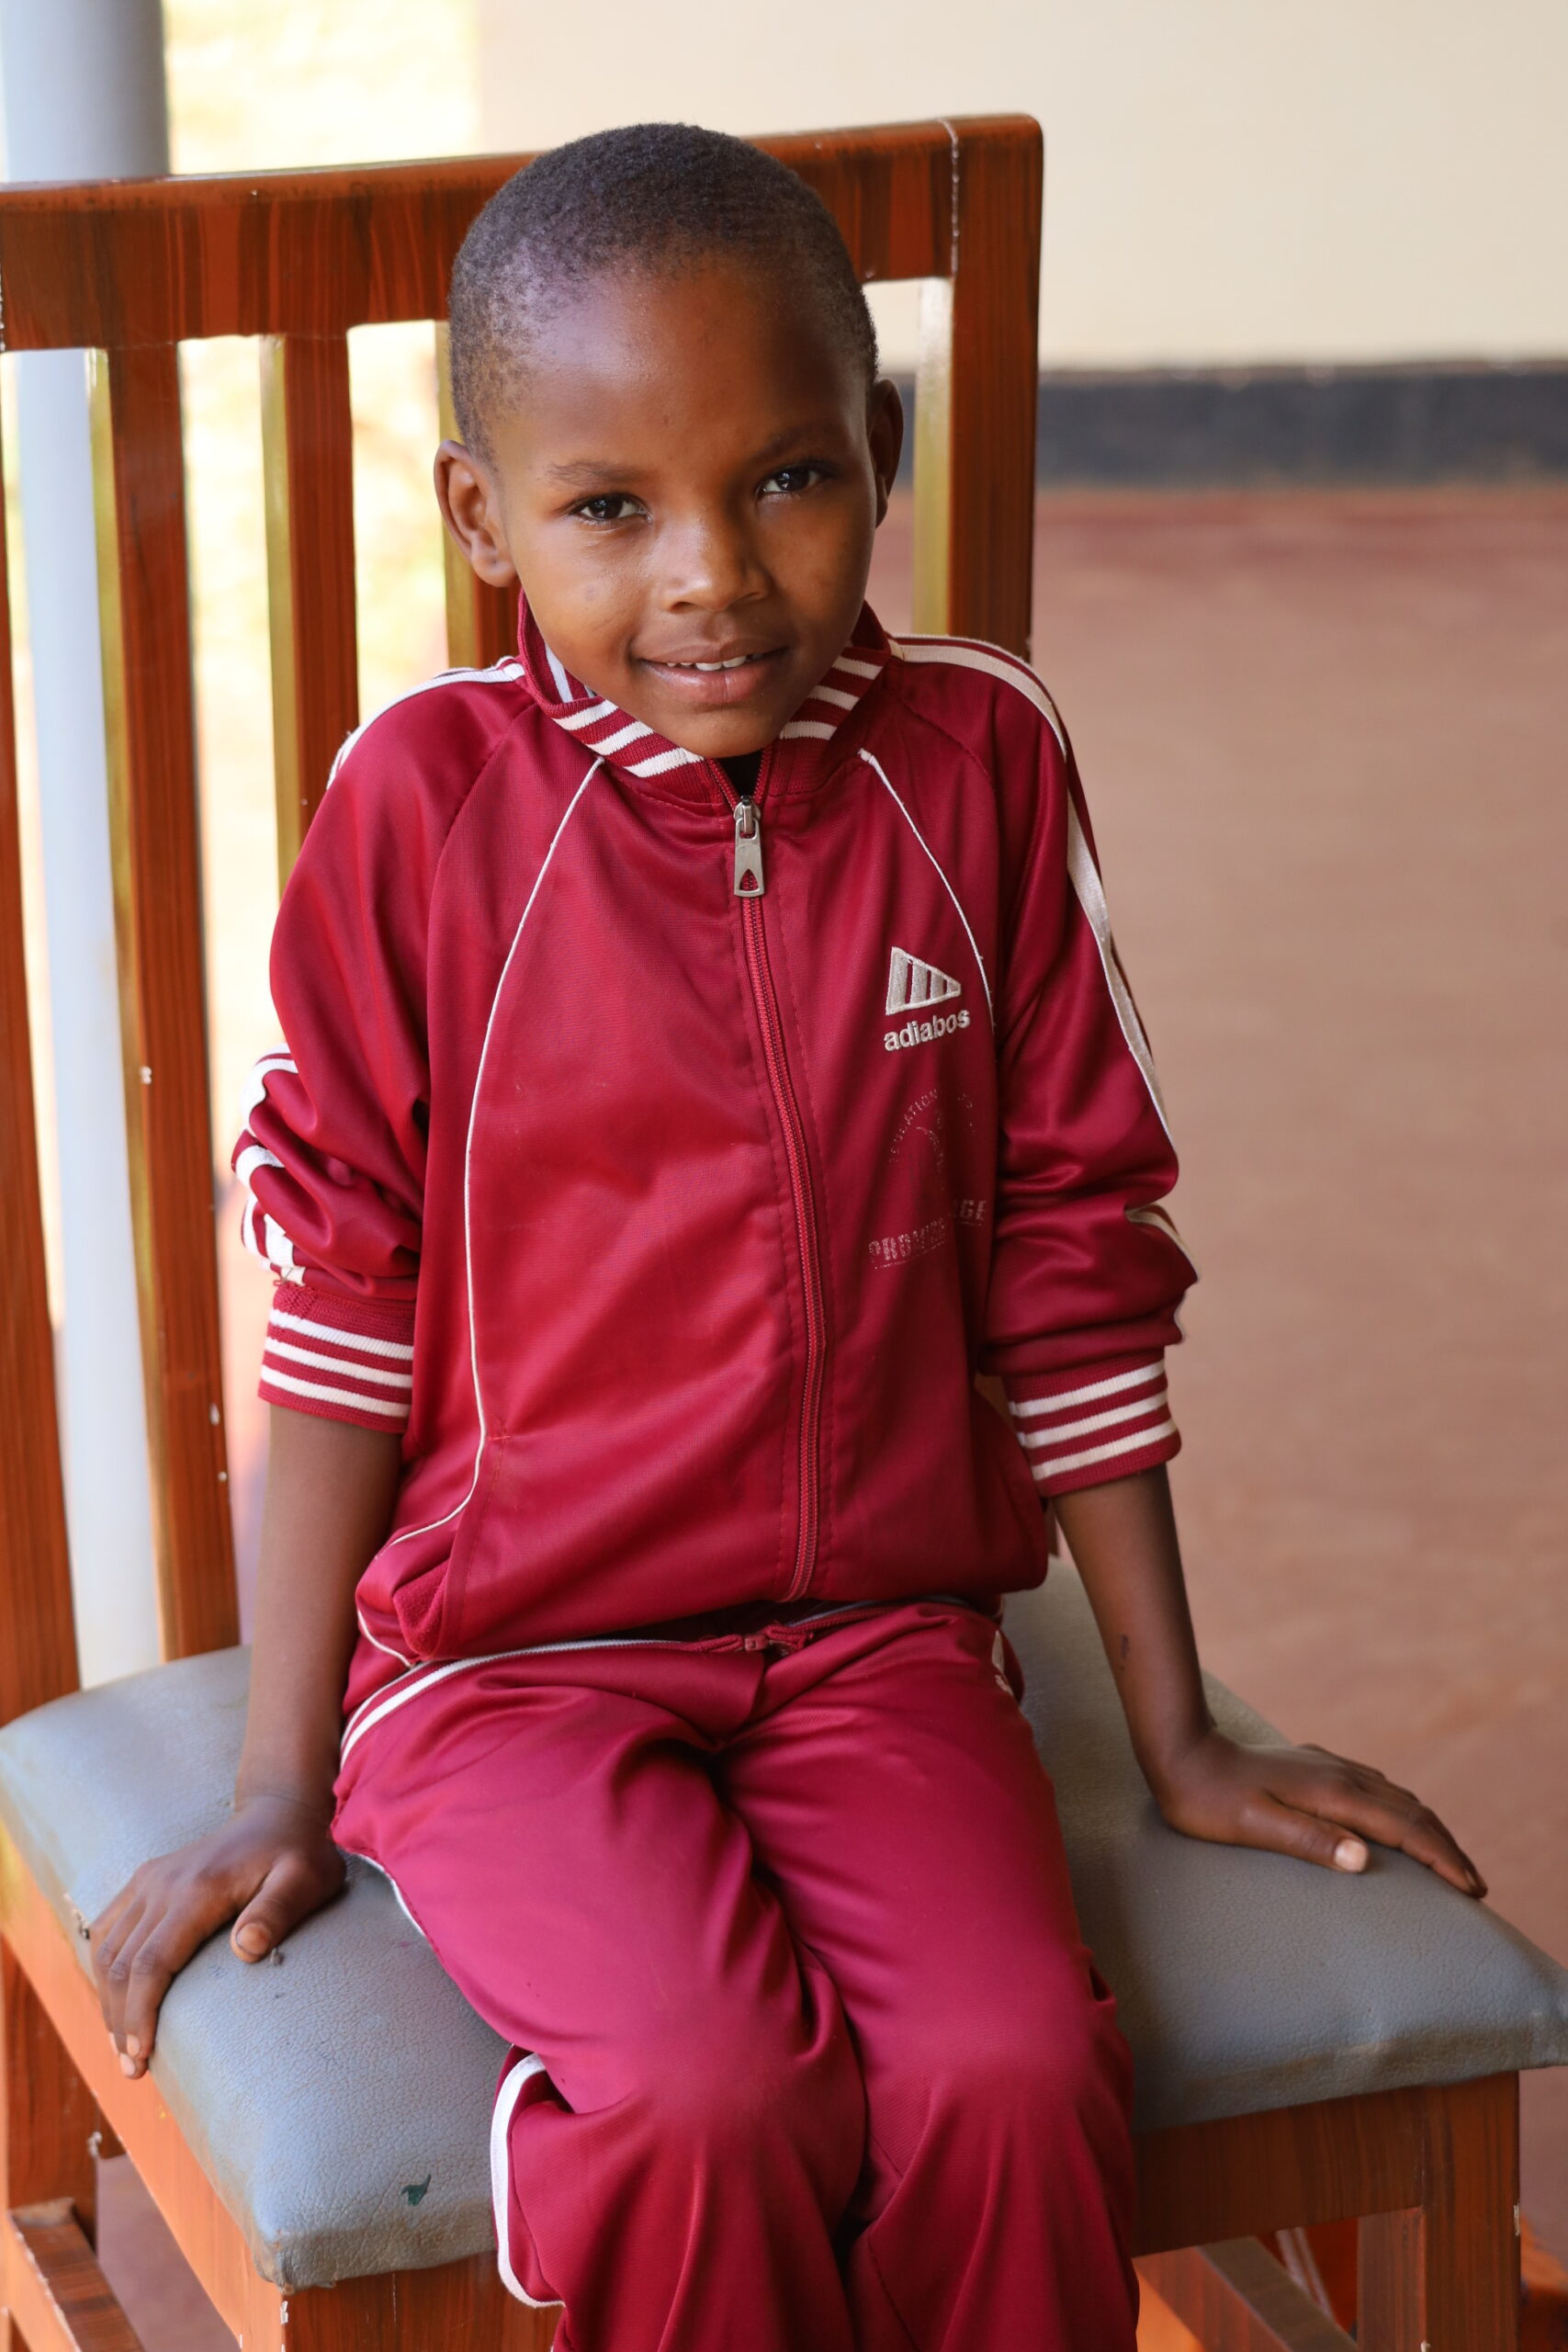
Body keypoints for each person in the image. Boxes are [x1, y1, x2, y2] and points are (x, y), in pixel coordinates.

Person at [88, 123, 1483, 2352]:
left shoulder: (982, 765)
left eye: (785, 478)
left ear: (879, 455)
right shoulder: (422, 817)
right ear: (482, 517)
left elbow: (1070, 1251)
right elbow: (338, 1305)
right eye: (608, 505)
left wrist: (1176, 1725)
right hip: (505, 1673)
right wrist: (282, 1773)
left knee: (1017, 2072)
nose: (710, 575)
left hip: (879, 1645)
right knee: (712, 2098)